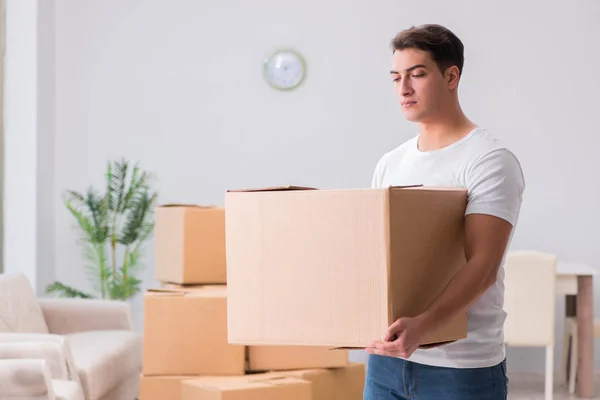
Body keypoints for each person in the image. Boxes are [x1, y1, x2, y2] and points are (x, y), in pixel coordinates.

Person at [364, 24, 525, 400]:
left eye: (417, 74)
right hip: (385, 362)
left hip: (459, 369)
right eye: (396, 77)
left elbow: (482, 267)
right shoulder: (390, 163)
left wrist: (423, 326)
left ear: (451, 76)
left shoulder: (488, 160)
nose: (403, 88)